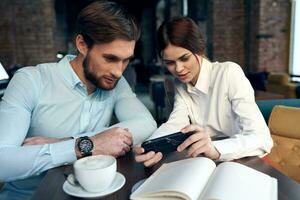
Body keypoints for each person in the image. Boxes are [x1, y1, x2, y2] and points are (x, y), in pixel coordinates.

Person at [0, 1, 156, 199]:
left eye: (126, 60)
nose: (118, 71)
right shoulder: (31, 80)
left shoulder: (116, 82)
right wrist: (87, 145)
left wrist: (74, 142)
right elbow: (2, 162)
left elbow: (146, 124)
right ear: (82, 44)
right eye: (110, 58)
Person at [134, 16, 273, 167]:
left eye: (184, 58)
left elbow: (262, 139)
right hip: (211, 161)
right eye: (170, 63)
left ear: (199, 49)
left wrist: (216, 149)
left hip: (248, 159)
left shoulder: (228, 72)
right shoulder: (180, 85)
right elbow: (176, 124)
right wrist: (150, 146)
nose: (179, 69)